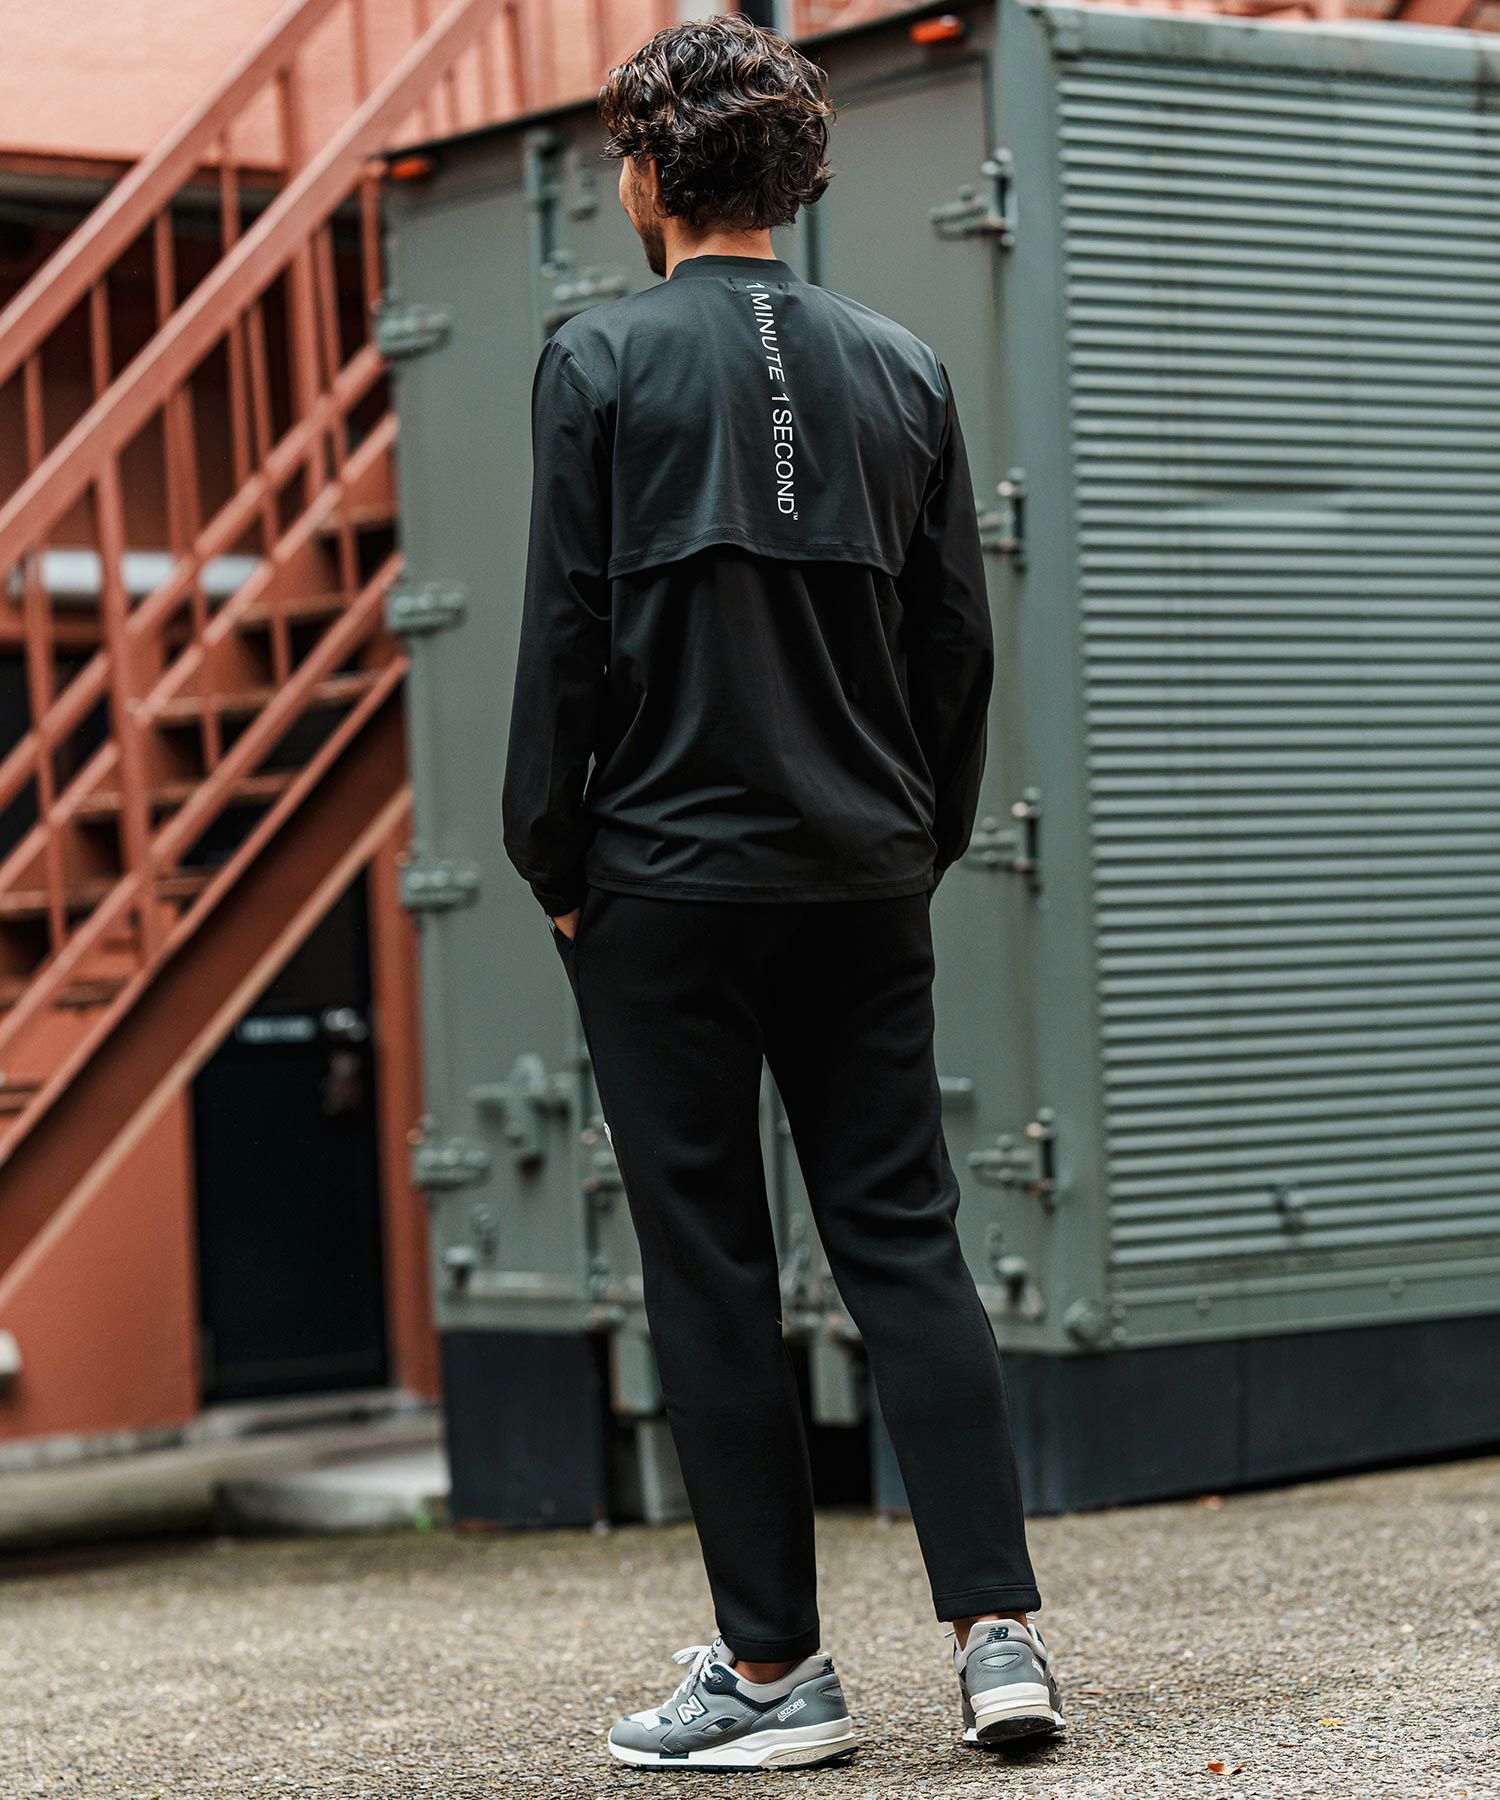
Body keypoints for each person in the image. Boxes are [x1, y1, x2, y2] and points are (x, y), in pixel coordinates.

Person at [502, 13, 1062, 1772]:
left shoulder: (596, 359)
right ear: (792, 176)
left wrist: (553, 862)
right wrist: (916, 838)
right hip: (861, 875)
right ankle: (997, 1638)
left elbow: (566, 643)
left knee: (711, 1264)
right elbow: (954, 644)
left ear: (650, 172)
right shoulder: (902, 365)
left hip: (661, 885)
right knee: (904, 1236)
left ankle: (772, 1676)